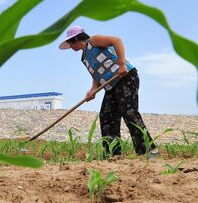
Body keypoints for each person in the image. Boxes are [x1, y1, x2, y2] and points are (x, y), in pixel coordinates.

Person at [59, 26, 157, 158]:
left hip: (125, 77)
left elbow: (116, 40)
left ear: (77, 39)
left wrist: (122, 64)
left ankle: (149, 151)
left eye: (71, 43)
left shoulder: (94, 40)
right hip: (111, 85)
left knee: (129, 113)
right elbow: (96, 74)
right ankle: (113, 154)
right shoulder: (84, 58)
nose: (70, 47)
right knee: (107, 116)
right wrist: (93, 90)